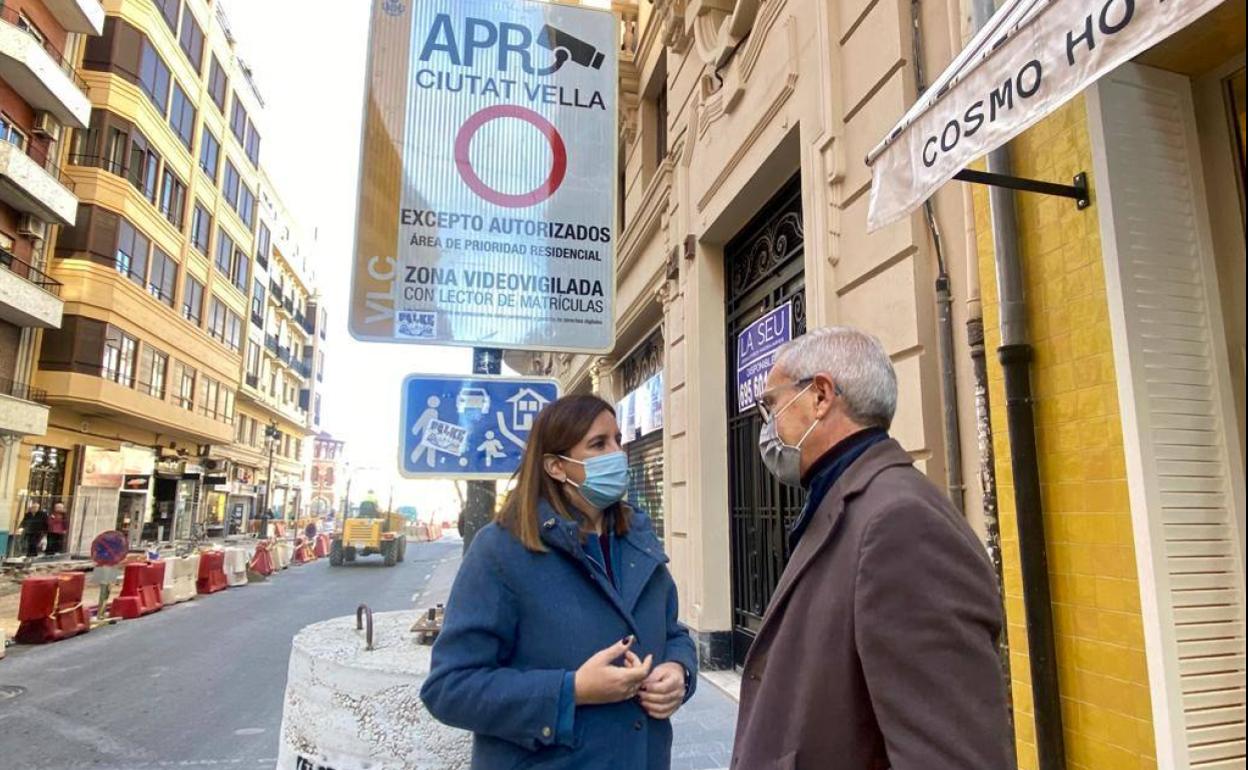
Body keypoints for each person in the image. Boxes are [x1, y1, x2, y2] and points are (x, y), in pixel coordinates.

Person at [731, 327, 1013, 770]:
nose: (768, 428)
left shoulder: (899, 522)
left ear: (821, 396)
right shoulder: (852, 499)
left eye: (771, 405)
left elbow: (951, 755)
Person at [421, 395, 697, 769]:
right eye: (599, 444)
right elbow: (448, 689)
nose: (618, 453)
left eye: (617, 439)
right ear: (555, 466)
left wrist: (680, 671)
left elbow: (672, 631)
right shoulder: (501, 550)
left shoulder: (637, 539)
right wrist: (571, 692)